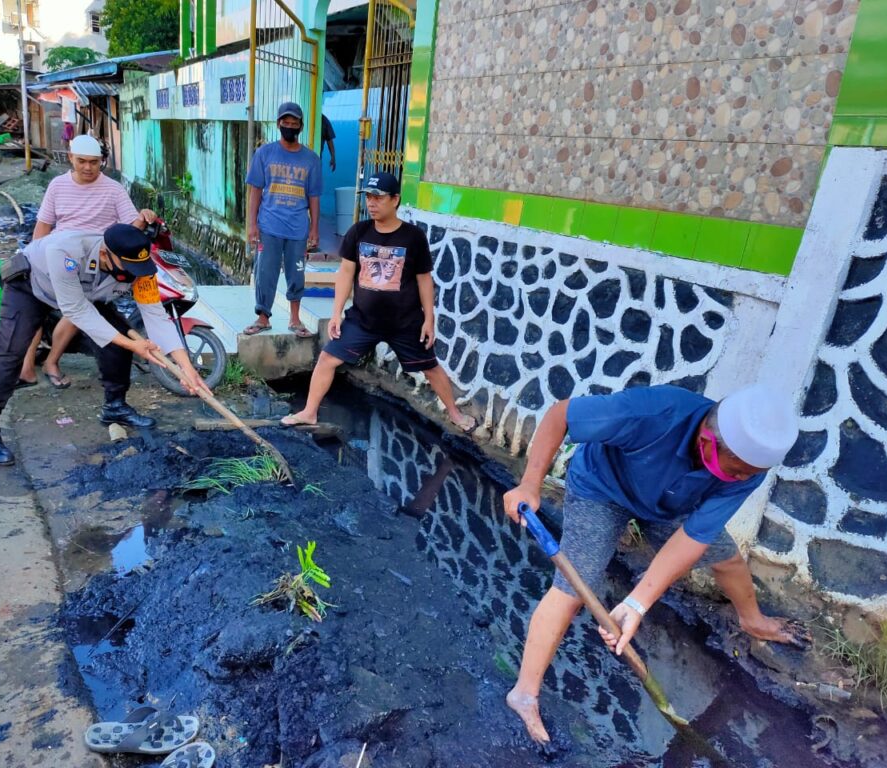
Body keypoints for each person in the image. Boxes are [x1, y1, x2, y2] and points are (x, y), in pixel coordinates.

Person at [501, 383, 809, 744]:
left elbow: (694, 539)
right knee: (572, 589)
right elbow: (561, 415)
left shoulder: (750, 468)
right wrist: (530, 485)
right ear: (709, 441)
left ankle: (753, 621)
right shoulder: (652, 413)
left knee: (728, 560)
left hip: (669, 507)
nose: (743, 479)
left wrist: (635, 603)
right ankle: (523, 694)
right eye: (737, 471)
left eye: (750, 474)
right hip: (602, 489)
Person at [0, 224, 212, 466]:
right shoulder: (66, 252)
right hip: (32, 287)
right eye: (128, 267)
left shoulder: (141, 269)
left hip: (88, 295)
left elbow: (155, 316)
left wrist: (186, 368)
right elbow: (75, 310)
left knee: (117, 342)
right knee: (11, 353)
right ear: (105, 254)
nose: (135, 273)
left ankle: (115, 406)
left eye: (139, 268)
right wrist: (133, 345)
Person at [280, 171, 475, 433]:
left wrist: (429, 318)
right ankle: (309, 412)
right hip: (363, 319)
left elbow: (424, 280)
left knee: (430, 367)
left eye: (378, 198)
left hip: (405, 323)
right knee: (327, 358)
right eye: (369, 197)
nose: (371, 203)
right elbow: (346, 273)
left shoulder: (413, 237)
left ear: (395, 200)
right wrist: (336, 313)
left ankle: (454, 413)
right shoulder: (358, 232)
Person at [18, 134, 155, 389]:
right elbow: (43, 226)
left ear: (101, 161)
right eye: (82, 161)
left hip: (94, 263)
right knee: (32, 303)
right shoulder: (58, 186)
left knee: (79, 308)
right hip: (58, 255)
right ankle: (26, 368)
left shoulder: (113, 189)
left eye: (94, 162)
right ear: (70, 157)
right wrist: (33, 258)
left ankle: (51, 362)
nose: (88, 167)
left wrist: (143, 218)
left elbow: (130, 227)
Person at [244, 101, 321, 338]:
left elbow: (314, 197)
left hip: (298, 228)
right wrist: (251, 224)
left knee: (296, 273)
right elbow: (255, 191)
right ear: (278, 124)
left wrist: (314, 229)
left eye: (294, 123)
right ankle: (263, 317)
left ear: (300, 126)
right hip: (269, 226)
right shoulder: (264, 153)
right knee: (265, 272)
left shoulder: (311, 159)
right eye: (285, 122)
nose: (289, 126)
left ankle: (295, 319)